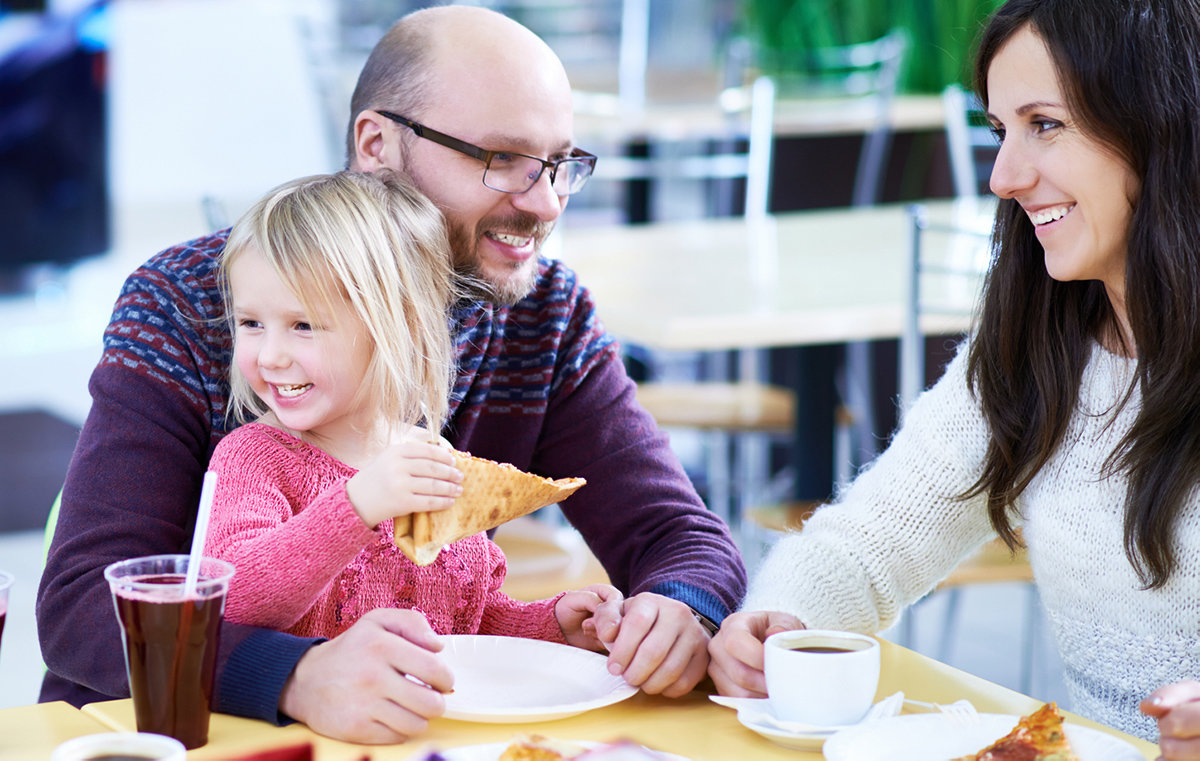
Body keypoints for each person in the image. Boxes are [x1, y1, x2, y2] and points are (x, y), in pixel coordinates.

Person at [36, 5, 746, 744]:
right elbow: (86, 608)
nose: (544, 202)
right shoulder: (194, 302)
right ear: (377, 143)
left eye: (560, 164)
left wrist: (675, 610)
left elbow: (676, 533)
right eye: (501, 158)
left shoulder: (543, 313)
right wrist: (293, 673)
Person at [707, 0, 1200, 753]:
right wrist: (782, 618)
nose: (1004, 176)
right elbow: (866, 543)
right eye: (1001, 131)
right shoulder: (1034, 346)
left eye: (1045, 124)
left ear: (1158, 122)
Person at [208, 169, 620, 652]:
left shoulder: (430, 456)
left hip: (434, 724)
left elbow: (464, 615)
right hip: (303, 727)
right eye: (252, 323)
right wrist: (356, 506)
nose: (269, 355)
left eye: (303, 325)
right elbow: (229, 606)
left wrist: (551, 626)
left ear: (398, 327)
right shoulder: (255, 459)